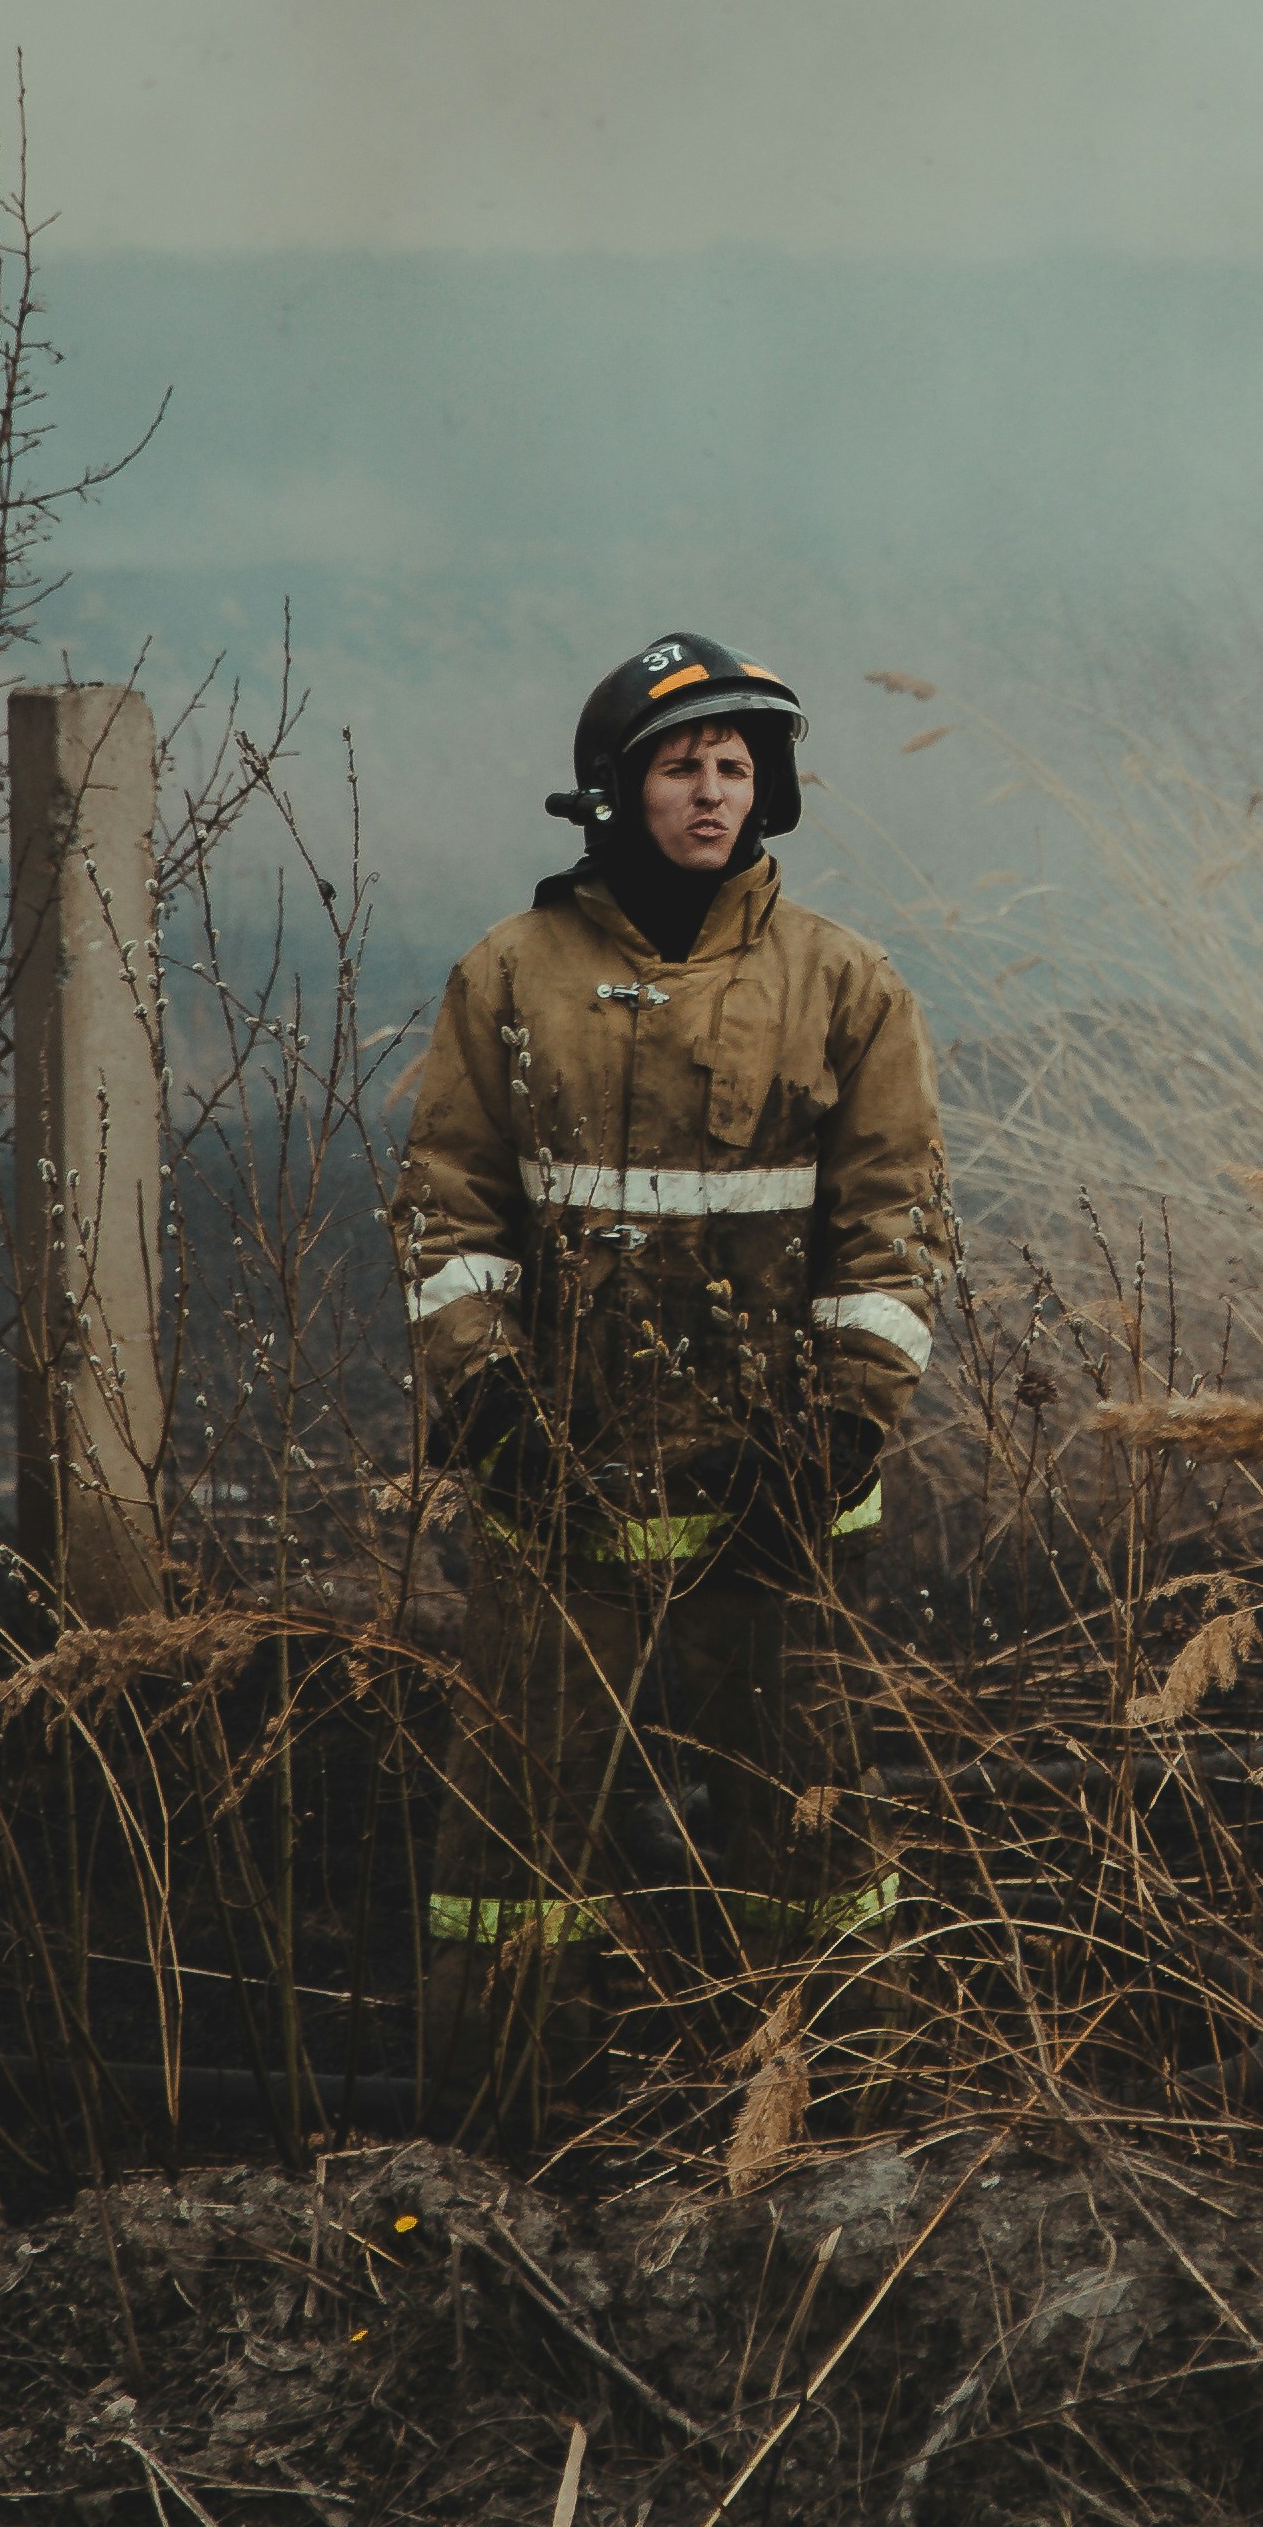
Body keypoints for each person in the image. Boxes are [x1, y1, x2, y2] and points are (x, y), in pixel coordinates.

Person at [391, 630, 950, 2145]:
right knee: (512, 1853)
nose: (712, 793)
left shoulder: (844, 985)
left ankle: (852, 2142)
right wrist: (488, 1401)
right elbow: (450, 1211)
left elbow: (892, 1231)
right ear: (611, 791)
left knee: (818, 1839)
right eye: (679, 766)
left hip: (780, 1512)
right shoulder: (509, 980)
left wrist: (838, 1430)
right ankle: (508, 2153)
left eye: (735, 767)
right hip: (556, 1498)